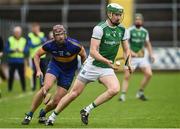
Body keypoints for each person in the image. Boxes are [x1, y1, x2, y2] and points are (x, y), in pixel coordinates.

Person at [45, 3, 132, 126]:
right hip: (92, 66)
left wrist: (128, 63)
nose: (118, 17)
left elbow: (127, 49)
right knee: (74, 94)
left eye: (120, 15)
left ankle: (86, 110)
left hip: (106, 68)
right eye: (116, 15)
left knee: (114, 89)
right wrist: (108, 62)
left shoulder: (123, 30)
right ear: (109, 14)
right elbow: (93, 51)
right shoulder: (100, 28)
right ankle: (52, 117)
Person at [21, 24, 87, 125]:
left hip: (69, 72)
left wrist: (83, 68)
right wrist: (38, 70)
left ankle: (43, 112)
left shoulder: (74, 45)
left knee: (57, 101)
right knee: (45, 88)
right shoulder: (50, 44)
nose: (60, 36)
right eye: (57, 34)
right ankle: (29, 114)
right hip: (55, 66)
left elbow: (83, 56)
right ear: (54, 36)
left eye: (62, 34)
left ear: (65, 34)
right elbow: (37, 55)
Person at [119, 13, 155, 102]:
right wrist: (131, 52)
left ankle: (140, 92)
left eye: (139, 19)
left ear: (142, 21)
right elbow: (125, 44)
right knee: (127, 76)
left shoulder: (145, 31)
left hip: (142, 57)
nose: (138, 21)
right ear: (134, 21)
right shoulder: (129, 30)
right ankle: (123, 95)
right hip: (131, 58)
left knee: (149, 74)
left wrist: (151, 54)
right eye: (136, 19)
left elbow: (148, 44)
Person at [4, 26, 28, 92]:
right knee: (11, 75)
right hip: (12, 61)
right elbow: (6, 49)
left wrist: (22, 50)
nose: (17, 33)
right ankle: (9, 89)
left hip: (20, 61)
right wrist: (12, 50)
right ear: (14, 33)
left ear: (20, 33)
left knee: (22, 76)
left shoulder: (24, 40)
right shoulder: (10, 39)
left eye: (18, 32)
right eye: (16, 32)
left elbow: (26, 50)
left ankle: (24, 89)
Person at [27, 22, 47, 91]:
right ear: (32, 29)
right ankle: (33, 86)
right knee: (34, 72)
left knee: (43, 71)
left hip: (42, 57)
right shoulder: (30, 35)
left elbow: (44, 41)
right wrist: (39, 43)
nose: (36, 29)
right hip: (33, 57)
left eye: (37, 28)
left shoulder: (42, 34)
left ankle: (42, 85)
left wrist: (39, 36)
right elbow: (31, 45)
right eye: (34, 28)